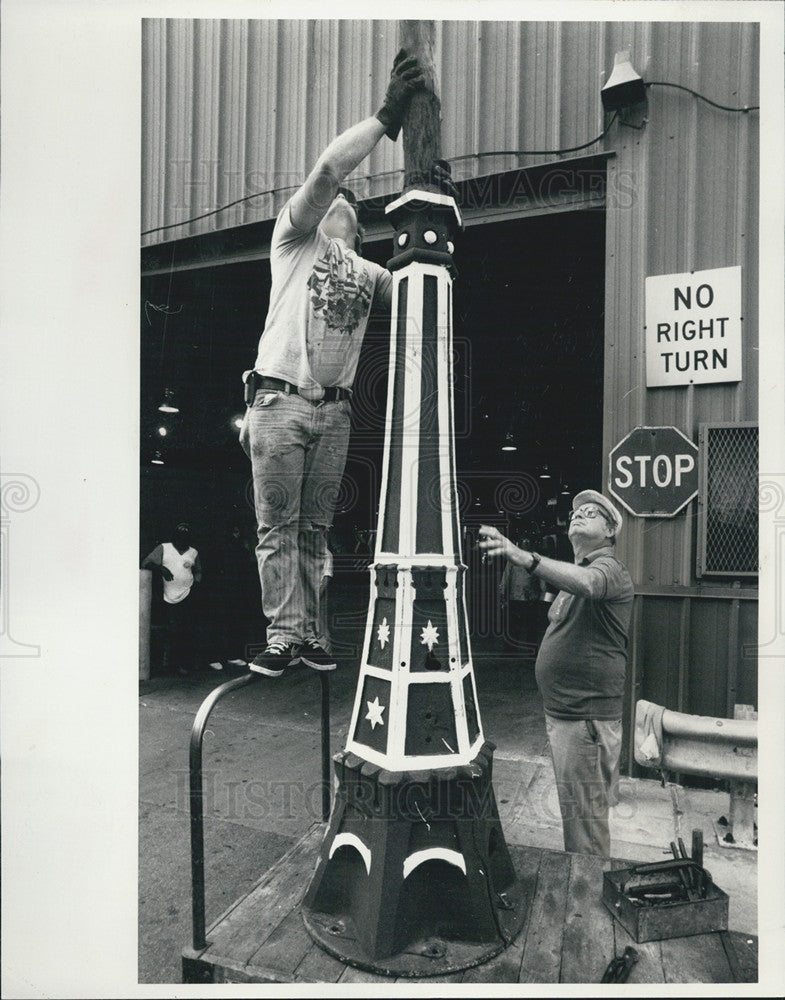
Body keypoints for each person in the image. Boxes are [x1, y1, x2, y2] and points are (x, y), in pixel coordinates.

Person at [239, 50, 427, 677]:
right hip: (279, 400)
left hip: (335, 413)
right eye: (336, 196)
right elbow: (327, 168)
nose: (341, 195)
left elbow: (423, 290)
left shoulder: (372, 273)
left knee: (315, 527)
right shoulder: (294, 239)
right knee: (279, 523)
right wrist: (385, 119)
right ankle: (284, 633)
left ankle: (312, 636)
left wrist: (434, 206)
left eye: (351, 200)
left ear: (360, 225)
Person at [479, 490, 634, 858]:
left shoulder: (608, 569)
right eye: (575, 511)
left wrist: (523, 557)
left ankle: (588, 899)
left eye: (592, 513)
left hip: (585, 718)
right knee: (577, 814)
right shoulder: (574, 571)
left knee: (585, 823)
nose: (579, 515)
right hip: (567, 715)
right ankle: (582, 887)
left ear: (610, 530)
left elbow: (590, 585)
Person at [141, 523, 202, 676]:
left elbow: (198, 571)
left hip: (188, 595)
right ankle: (170, 666)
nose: (182, 541)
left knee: (187, 631)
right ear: (174, 538)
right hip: (168, 597)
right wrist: (161, 568)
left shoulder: (193, 552)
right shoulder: (164, 548)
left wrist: (196, 585)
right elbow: (145, 563)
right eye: (179, 538)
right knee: (173, 631)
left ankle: (184, 664)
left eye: (185, 538)